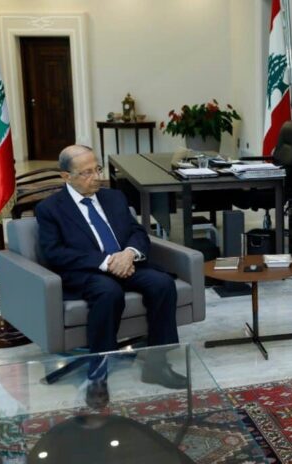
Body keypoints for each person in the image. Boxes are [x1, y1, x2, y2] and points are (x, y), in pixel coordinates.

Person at [36, 145, 186, 408]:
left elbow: (137, 232)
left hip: (127, 263)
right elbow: (55, 253)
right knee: (108, 292)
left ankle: (157, 364)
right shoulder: (50, 209)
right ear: (66, 176)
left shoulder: (114, 197)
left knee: (162, 283)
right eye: (87, 173)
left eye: (98, 169)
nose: (97, 177)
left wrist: (128, 254)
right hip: (87, 271)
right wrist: (106, 262)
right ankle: (97, 374)